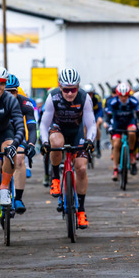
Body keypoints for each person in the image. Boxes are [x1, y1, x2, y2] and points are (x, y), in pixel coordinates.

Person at [39, 67, 97, 229]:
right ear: (60, 86)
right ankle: (56, 177)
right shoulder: (53, 97)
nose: (70, 94)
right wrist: (44, 142)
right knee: (56, 144)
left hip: (76, 132)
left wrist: (90, 140)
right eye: (66, 90)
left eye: (73, 90)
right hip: (58, 129)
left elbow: (91, 124)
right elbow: (43, 125)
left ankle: (81, 211)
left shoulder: (84, 98)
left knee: (81, 168)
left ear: (78, 88)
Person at [0, 66, 26, 208]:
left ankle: (4, 187)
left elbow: (20, 127)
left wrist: (14, 146)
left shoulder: (9, 100)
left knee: (9, 149)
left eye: (2, 84)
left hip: (4, 133)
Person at [5, 73, 38, 214]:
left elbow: (31, 127)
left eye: (13, 91)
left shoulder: (25, 102)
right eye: (8, 92)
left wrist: (31, 144)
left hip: (18, 136)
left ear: (17, 91)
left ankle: (18, 198)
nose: (11, 95)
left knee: (19, 158)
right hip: (0, 137)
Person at [104, 82, 139, 180]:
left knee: (132, 132)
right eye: (121, 96)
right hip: (117, 124)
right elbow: (107, 115)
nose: (123, 98)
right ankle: (115, 169)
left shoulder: (133, 101)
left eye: (126, 96)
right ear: (118, 95)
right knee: (116, 144)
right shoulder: (113, 102)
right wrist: (107, 124)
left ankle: (131, 153)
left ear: (129, 94)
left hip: (129, 122)